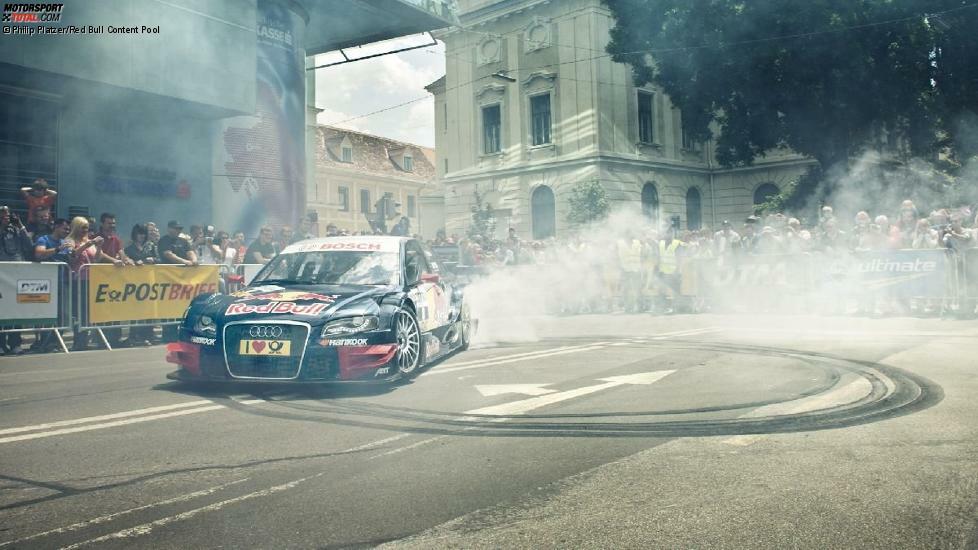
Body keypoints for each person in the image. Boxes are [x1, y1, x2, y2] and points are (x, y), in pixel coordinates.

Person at [0, 206, 34, 355]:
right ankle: (1, 344)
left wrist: (20, 225)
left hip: (15, 274)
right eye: (3, 213)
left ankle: (15, 343)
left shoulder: (15, 230)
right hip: (1, 274)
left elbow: (29, 245)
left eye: (8, 213)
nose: (6, 215)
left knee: (15, 310)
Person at [65, 217, 103, 351]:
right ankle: (78, 341)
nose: (85, 230)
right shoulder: (70, 240)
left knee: (87, 311)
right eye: (82, 227)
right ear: (76, 227)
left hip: (90, 280)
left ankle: (85, 339)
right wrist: (88, 244)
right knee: (78, 311)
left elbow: (97, 259)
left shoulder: (90, 241)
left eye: (87, 227)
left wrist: (98, 247)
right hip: (76, 280)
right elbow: (71, 255)